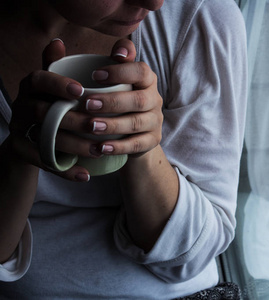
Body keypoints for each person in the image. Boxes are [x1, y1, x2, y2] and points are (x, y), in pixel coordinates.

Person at [0, 0, 247, 298]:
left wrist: (141, 145)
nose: (155, 3)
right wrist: (19, 157)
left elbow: (194, 257)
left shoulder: (200, 18)